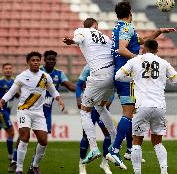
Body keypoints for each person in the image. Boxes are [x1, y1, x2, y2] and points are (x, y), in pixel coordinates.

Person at [107, 1, 176, 169]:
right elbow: (123, 49)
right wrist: (138, 60)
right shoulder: (126, 28)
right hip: (128, 76)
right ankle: (115, 149)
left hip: (121, 73)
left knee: (133, 113)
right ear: (130, 13)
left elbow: (142, 41)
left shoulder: (119, 28)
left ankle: (130, 149)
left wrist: (158, 32)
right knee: (129, 114)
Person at [115, 39, 177, 174]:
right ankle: (164, 171)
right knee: (158, 141)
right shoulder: (164, 63)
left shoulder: (136, 60)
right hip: (159, 107)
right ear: (157, 50)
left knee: (137, 140)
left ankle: (138, 172)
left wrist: (134, 79)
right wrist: (162, 81)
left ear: (143, 48)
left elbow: (118, 76)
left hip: (142, 106)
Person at [9, 50, 76, 173]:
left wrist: (83, 86)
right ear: (44, 60)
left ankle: (33, 165)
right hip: (30, 109)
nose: (51, 61)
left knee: (43, 140)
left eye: (53, 59)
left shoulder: (58, 74)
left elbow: (70, 86)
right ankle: (15, 161)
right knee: (24, 135)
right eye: (49, 59)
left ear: (56, 60)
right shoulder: (37, 73)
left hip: (45, 112)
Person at [63, 18, 116, 164]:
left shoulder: (81, 31)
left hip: (98, 75)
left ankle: (93, 148)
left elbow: (78, 39)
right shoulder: (105, 37)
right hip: (112, 76)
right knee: (101, 106)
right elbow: (115, 52)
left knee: (85, 110)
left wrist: (71, 41)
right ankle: (115, 139)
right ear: (96, 26)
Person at [76, 64, 112, 174]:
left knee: (108, 135)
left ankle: (104, 164)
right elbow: (79, 85)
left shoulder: (112, 66)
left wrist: (109, 99)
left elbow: (112, 88)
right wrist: (78, 99)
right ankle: (82, 164)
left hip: (101, 107)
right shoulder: (89, 66)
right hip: (90, 105)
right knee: (86, 136)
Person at [0, 63, 16, 162]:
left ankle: (10, 155)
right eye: (6, 68)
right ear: (3, 70)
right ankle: (10, 155)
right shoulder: (0, 82)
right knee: (11, 133)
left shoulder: (15, 82)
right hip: (2, 111)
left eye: (10, 68)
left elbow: (17, 96)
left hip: (7, 111)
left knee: (10, 133)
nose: (8, 70)